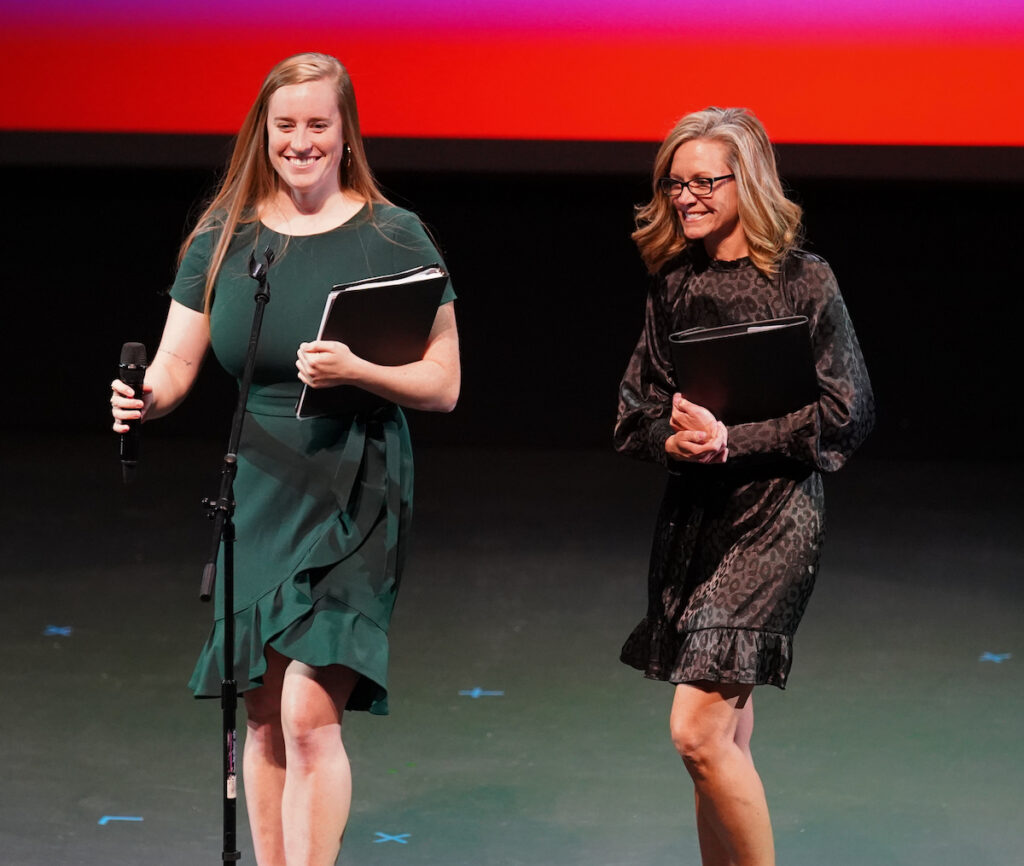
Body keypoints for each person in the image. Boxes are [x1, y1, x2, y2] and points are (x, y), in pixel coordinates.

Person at [109, 53, 460, 866]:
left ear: (346, 134)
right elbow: (177, 363)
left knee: (307, 710)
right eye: (285, 126)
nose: (301, 142)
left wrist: (359, 370)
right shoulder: (224, 236)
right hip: (258, 484)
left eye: (318, 125)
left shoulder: (392, 234)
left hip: (356, 483)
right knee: (262, 714)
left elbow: (443, 384)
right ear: (262, 134)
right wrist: (145, 398)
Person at [614, 107, 874, 865]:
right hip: (697, 522)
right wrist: (674, 437)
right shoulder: (674, 285)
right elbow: (631, 414)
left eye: (704, 182)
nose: (685, 197)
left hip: (777, 522)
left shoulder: (804, 280)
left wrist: (737, 440)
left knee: (695, 733)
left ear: (747, 181)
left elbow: (849, 412)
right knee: (721, 745)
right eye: (675, 183)